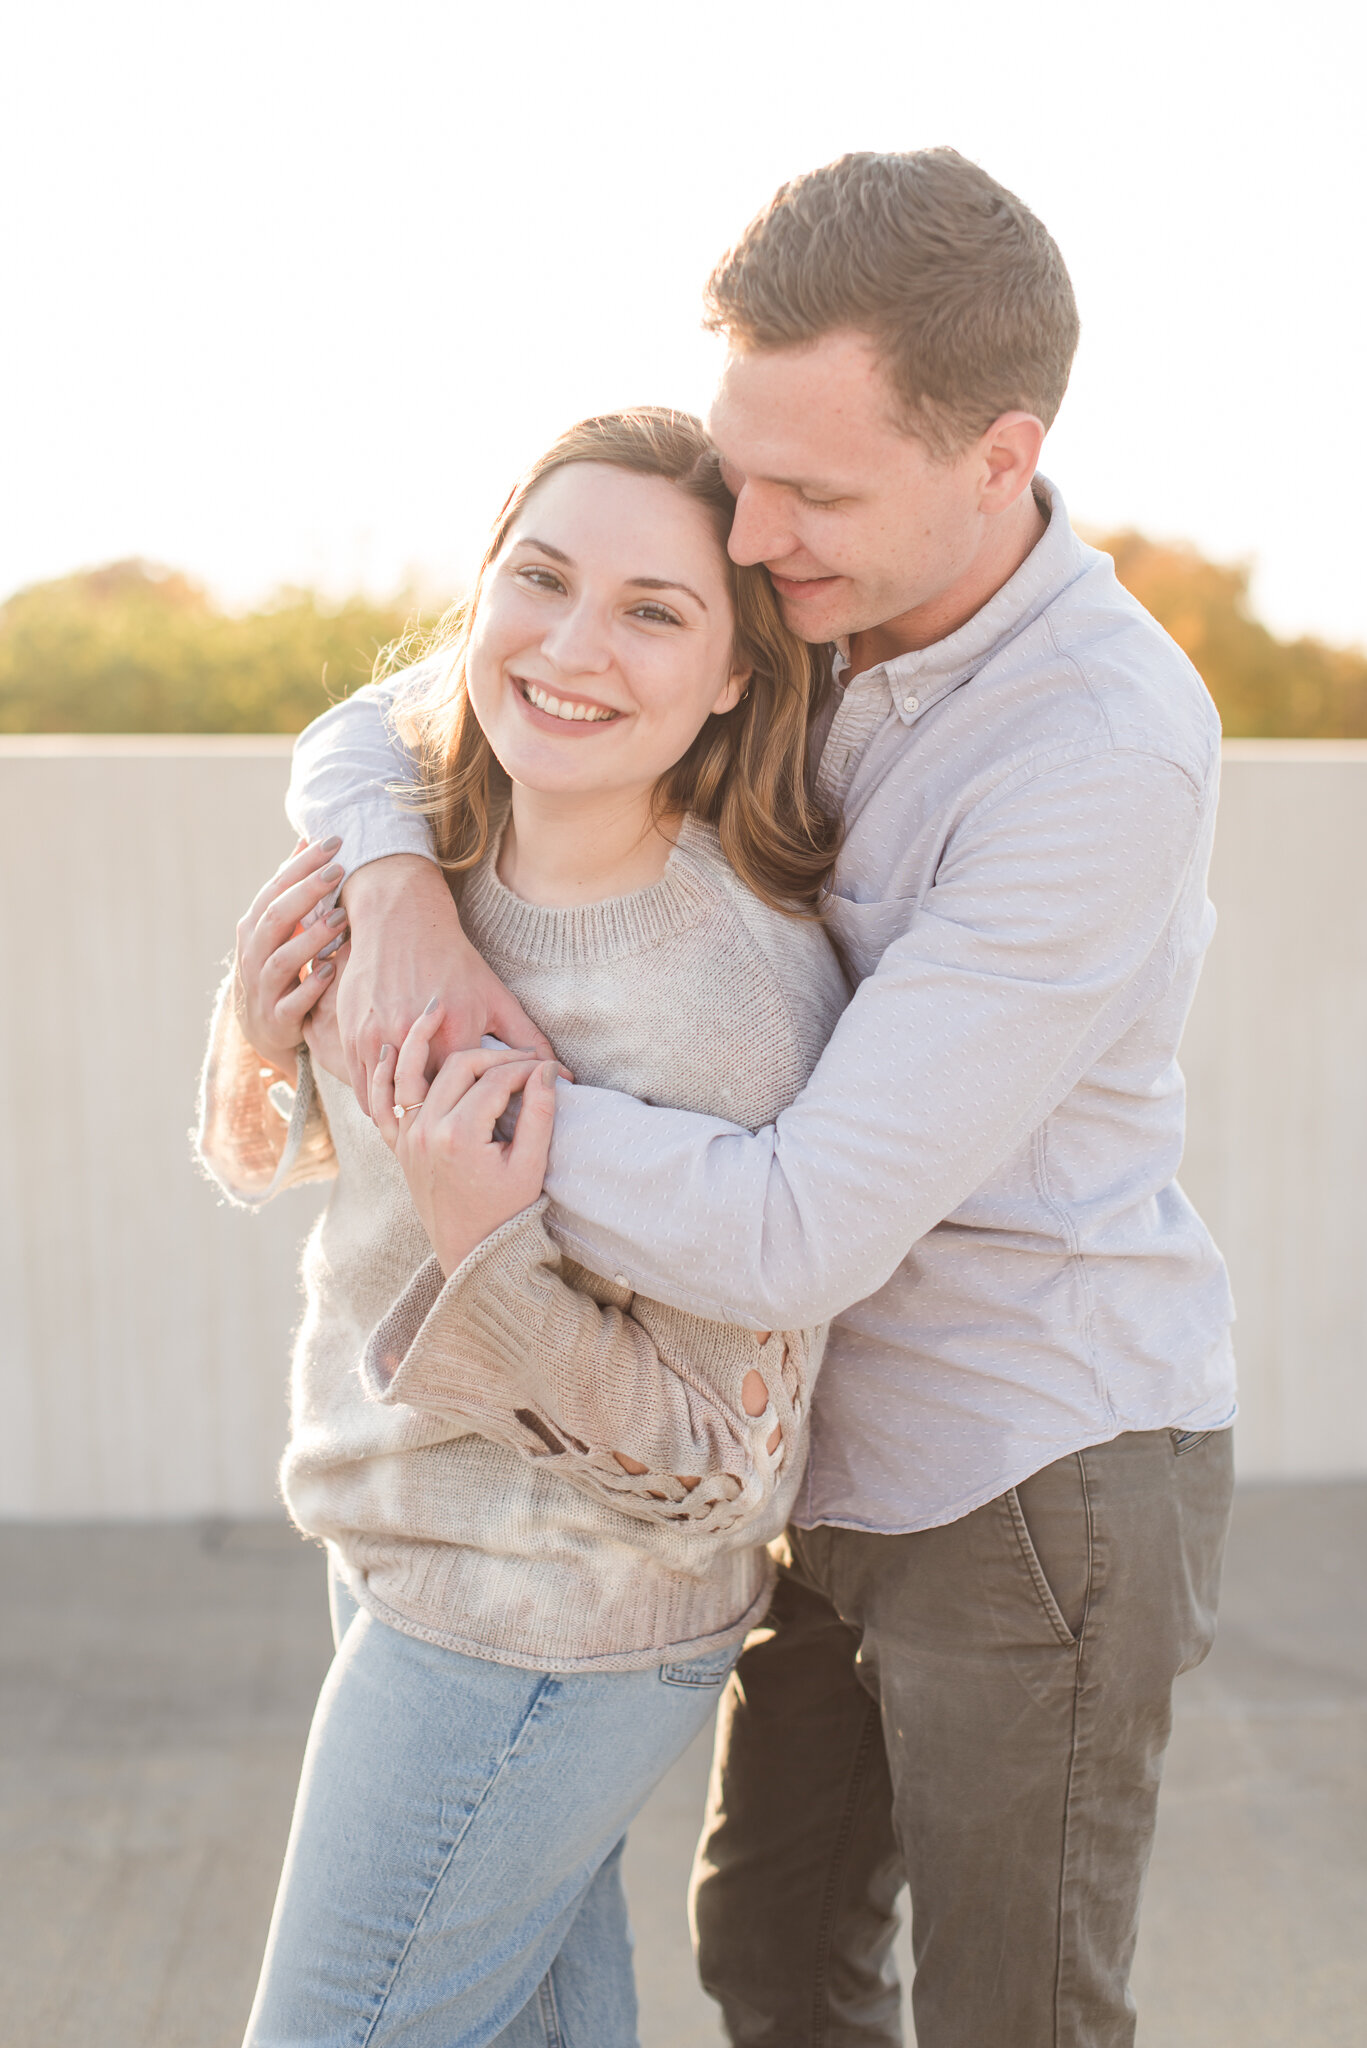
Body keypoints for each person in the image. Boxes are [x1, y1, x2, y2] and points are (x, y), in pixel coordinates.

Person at [287, 151, 1238, 2048]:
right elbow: (410, 699)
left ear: (998, 456)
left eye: (811, 490)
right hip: (792, 1458)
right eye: (748, 466)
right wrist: (396, 892)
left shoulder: (1096, 748)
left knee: (1013, 2019)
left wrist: (458, 1091)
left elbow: (797, 1221)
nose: (752, 531)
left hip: (1028, 1469)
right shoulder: (803, 589)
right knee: (776, 1965)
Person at [196, 408, 850, 2048]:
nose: (571, 647)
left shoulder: (738, 998)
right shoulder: (423, 847)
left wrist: (486, 1249)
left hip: (552, 1639)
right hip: (403, 1555)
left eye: (652, 610)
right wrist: (261, 1038)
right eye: (539, 580)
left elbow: (729, 1467)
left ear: (733, 677)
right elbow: (275, 1156)